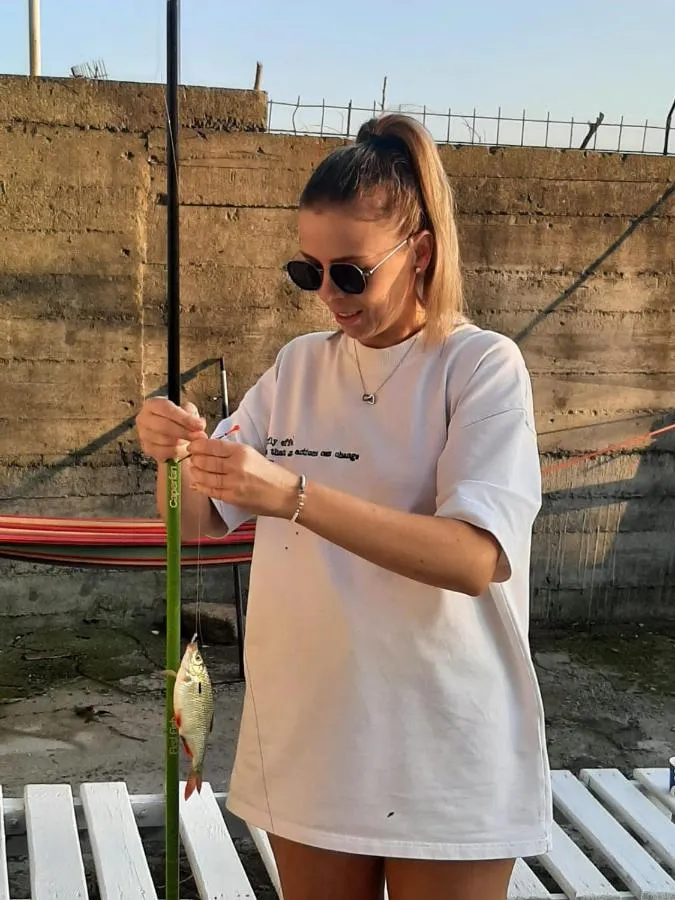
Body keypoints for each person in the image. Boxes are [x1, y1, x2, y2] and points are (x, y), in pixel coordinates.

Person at [136, 113, 552, 900]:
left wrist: (292, 496)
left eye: (350, 273)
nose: (327, 295)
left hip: (443, 749)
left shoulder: (480, 367)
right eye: (308, 272)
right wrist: (174, 454)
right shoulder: (296, 367)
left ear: (418, 252)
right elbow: (193, 521)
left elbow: (473, 558)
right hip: (311, 742)